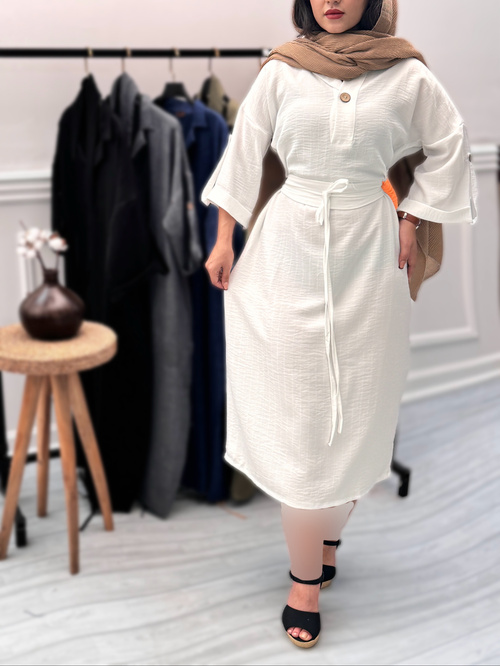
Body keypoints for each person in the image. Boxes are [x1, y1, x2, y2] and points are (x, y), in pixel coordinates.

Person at [201, 0, 478, 649]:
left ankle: (324, 539)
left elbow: (451, 143)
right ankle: (305, 582)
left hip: (369, 250)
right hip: (287, 249)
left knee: (359, 411)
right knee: (301, 423)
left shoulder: (406, 74)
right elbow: (244, 152)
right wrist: (223, 239)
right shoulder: (282, 69)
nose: (332, 0)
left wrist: (412, 214)